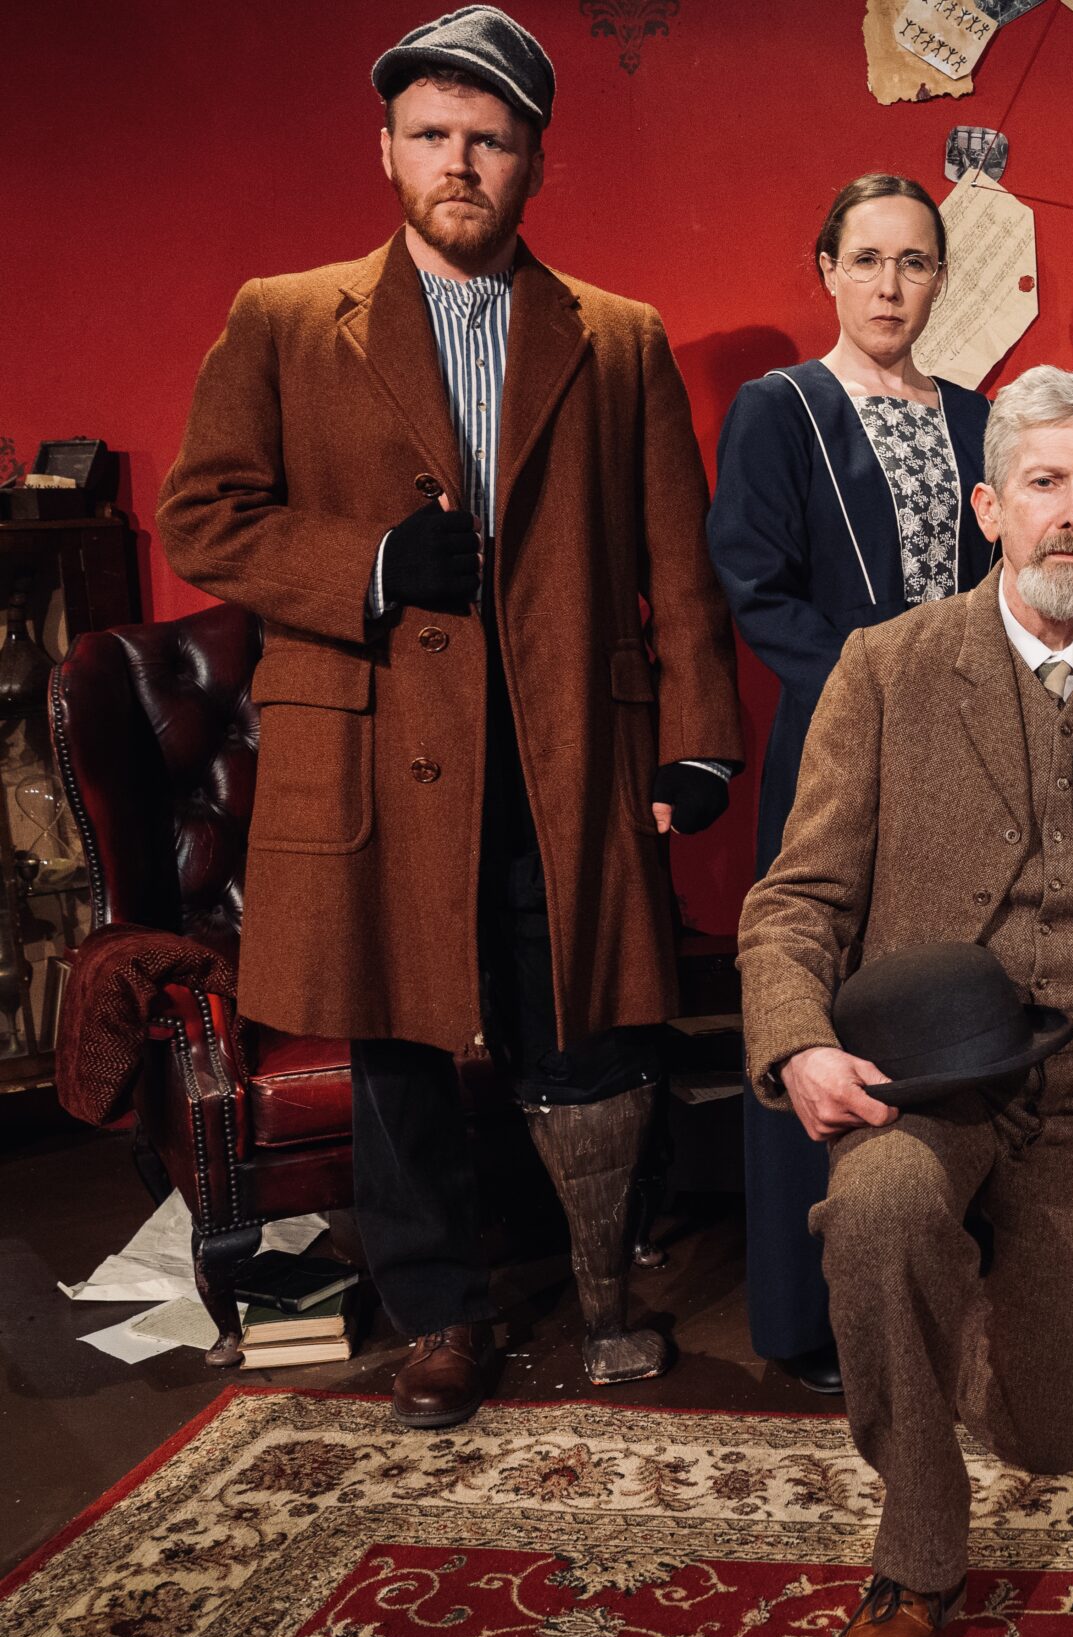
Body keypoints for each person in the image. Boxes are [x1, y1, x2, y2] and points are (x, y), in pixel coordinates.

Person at [156, 4, 743, 1423]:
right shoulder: (285, 317)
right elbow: (201, 516)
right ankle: (440, 1313)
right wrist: (368, 565)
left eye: (489, 138)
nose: (459, 162)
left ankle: (602, 1287)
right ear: (387, 151)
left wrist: (700, 733)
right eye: (431, 134)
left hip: (563, 744)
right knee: (397, 1033)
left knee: (580, 1015)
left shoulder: (618, 337)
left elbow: (676, 555)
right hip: (370, 746)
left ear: (535, 158)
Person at [737, 367, 1073, 1637]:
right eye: (1045, 483)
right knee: (881, 1212)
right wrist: (796, 1044)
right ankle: (912, 1561)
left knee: (1051, 1435)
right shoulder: (885, 667)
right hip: (926, 1087)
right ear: (989, 507)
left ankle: (946, 1308)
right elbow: (793, 901)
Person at [708, 174, 995, 1396]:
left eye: (914, 261)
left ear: (941, 279)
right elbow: (756, 583)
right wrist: (879, 695)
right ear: (826, 269)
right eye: (866, 259)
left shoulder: (979, 417)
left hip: (969, 752)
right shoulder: (779, 409)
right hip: (833, 742)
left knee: (945, 995)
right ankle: (813, 1311)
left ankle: (936, 1278)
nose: (889, 285)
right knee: (815, 1001)